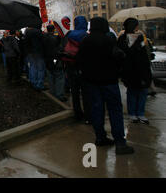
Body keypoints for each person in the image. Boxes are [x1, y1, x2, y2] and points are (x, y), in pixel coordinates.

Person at [77, 17, 134, 155]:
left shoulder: (85, 41)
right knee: (115, 111)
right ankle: (120, 143)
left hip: (91, 82)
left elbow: (80, 60)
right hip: (109, 82)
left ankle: (100, 137)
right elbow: (119, 57)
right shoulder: (109, 40)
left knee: (97, 110)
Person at [117, 18, 152, 124]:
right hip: (133, 69)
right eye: (137, 25)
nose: (138, 27)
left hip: (134, 69)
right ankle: (137, 113)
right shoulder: (126, 39)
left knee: (138, 92)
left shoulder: (135, 37)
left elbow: (143, 52)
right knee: (137, 92)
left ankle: (135, 114)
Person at [62, 16, 92, 123]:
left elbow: (63, 49)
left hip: (71, 67)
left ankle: (77, 114)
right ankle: (88, 116)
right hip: (84, 68)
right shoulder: (87, 35)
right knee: (86, 93)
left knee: (74, 92)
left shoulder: (69, 34)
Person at [43, 25, 67, 102]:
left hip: (47, 60)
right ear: (53, 30)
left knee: (50, 76)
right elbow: (59, 50)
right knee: (59, 77)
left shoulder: (43, 38)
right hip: (55, 60)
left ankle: (53, 92)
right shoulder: (55, 39)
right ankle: (59, 94)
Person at [25, 25, 45, 91]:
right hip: (38, 52)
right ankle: (39, 85)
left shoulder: (27, 32)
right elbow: (42, 42)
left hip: (29, 53)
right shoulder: (38, 31)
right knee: (40, 69)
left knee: (32, 67)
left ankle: (33, 82)